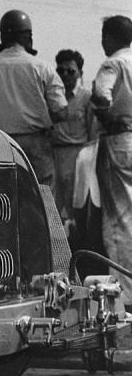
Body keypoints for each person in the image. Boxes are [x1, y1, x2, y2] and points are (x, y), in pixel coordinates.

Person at [0, 10, 67, 186]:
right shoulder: (42, 67)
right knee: (43, 199)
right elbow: (61, 111)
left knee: (0, 197)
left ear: (2, 37)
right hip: (36, 145)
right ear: (28, 37)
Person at [91, 15, 132, 295]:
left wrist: (104, 115)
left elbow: (101, 95)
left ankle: (125, 291)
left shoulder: (113, 63)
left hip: (119, 140)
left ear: (111, 37)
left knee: (119, 219)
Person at [50, 49, 96, 236]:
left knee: (76, 206)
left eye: (71, 71)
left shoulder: (86, 97)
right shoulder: (53, 95)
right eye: (61, 71)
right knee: (53, 205)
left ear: (80, 73)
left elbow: (93, 132)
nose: (65, 75)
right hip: (54, 154)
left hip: (78, 155)